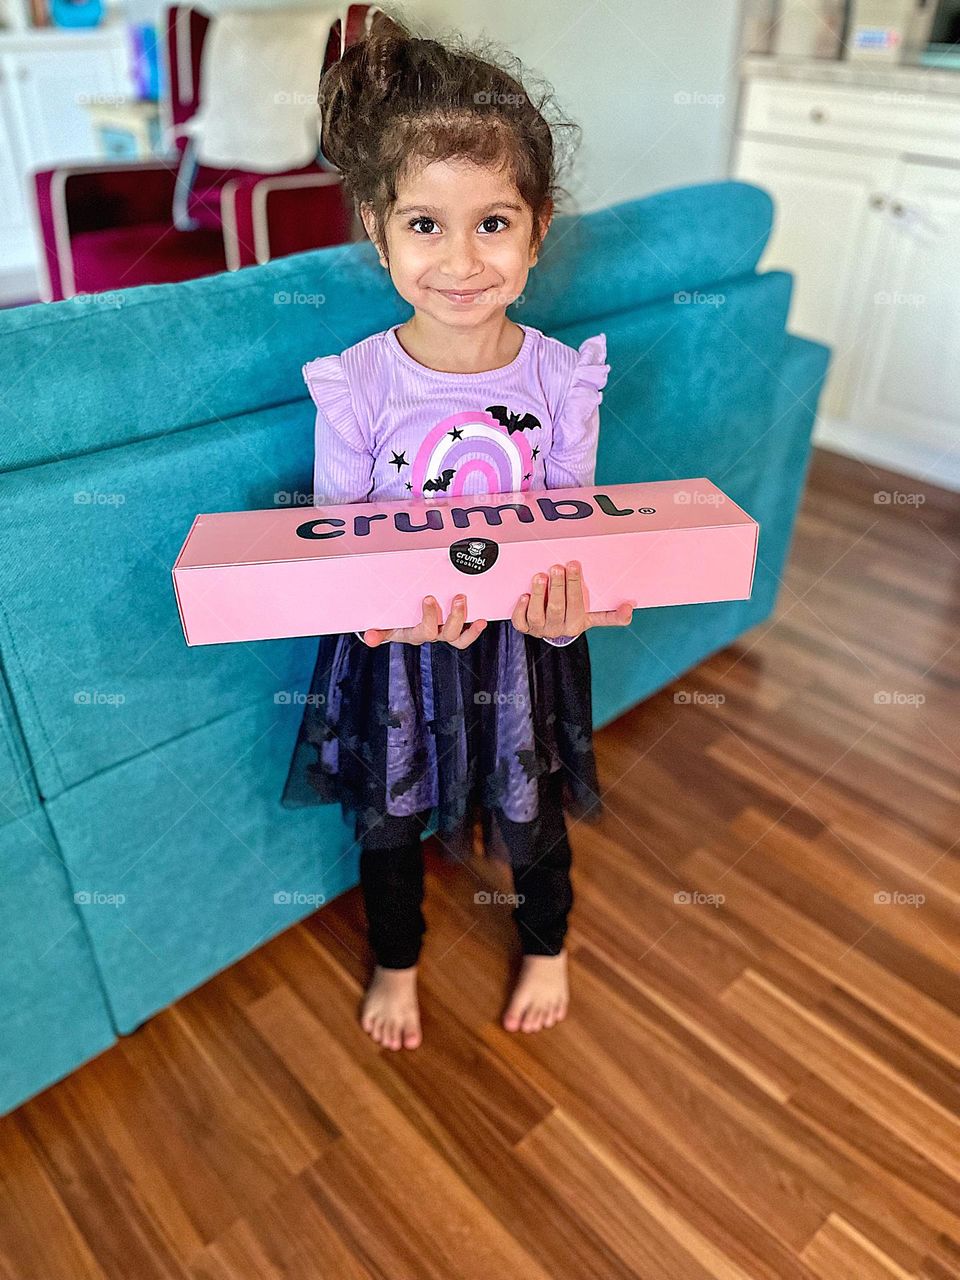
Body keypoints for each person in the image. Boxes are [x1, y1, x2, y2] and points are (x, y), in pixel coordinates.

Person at [280, 8, 636, 1051]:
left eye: (494, 221)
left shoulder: (565, 381)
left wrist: (569, 617)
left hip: (523, 645)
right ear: (377, 230)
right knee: (390, 816)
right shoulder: (355, 385)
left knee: (531, 810)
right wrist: (377, 619)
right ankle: (396, 960)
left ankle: (548, 937)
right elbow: (340, 537)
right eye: (425, 224)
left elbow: (572, 525)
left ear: (539, 229)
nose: (461, 259)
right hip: (396, 648)